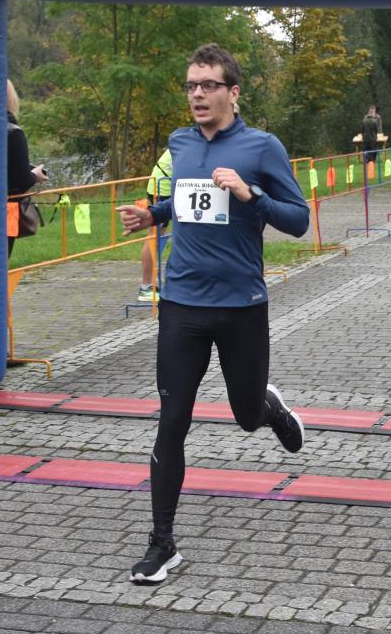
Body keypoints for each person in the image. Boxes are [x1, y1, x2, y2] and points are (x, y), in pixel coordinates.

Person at [115, 43, 311, 585]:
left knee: (244, 415)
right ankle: (162, 544)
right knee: (172, 419)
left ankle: (269, 408)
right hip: (182, 303)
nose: (197, 95)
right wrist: (152, 215)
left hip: (241, 305)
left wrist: (251, 195)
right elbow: (186, 201)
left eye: (208, 85)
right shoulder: (179, 143)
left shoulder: (262, 147)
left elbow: (298, 220)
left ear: (233, 92)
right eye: (191, 86)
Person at [6, 79, 48, 258]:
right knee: (1, 256)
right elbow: (21, 180)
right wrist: (35, 175)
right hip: (8, 208)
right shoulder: (12, 132)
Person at [138, 148, 172, 302]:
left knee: (159, 236)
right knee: (154, 236)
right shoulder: (190, 141)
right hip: (162, 188)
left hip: (166, 185)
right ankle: (146, 287)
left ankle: (149, 285)